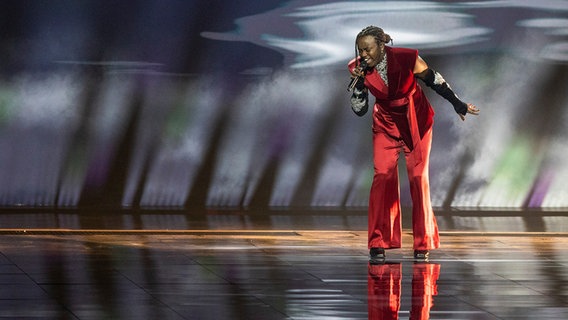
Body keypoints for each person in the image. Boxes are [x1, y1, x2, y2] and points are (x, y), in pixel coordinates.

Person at [348, 26, 479, 263]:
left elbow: (434, 80)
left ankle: (422, 243)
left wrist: (457, 104)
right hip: (385, 124)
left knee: (418, 179)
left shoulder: (407, 57)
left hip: (414, 119)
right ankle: (378, 242)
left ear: (381, 44)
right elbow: (359, 110)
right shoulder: (358, 69)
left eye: (367, 48)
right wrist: (358, 85)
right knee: (382, 177)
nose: (363, 54)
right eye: (360, 50)